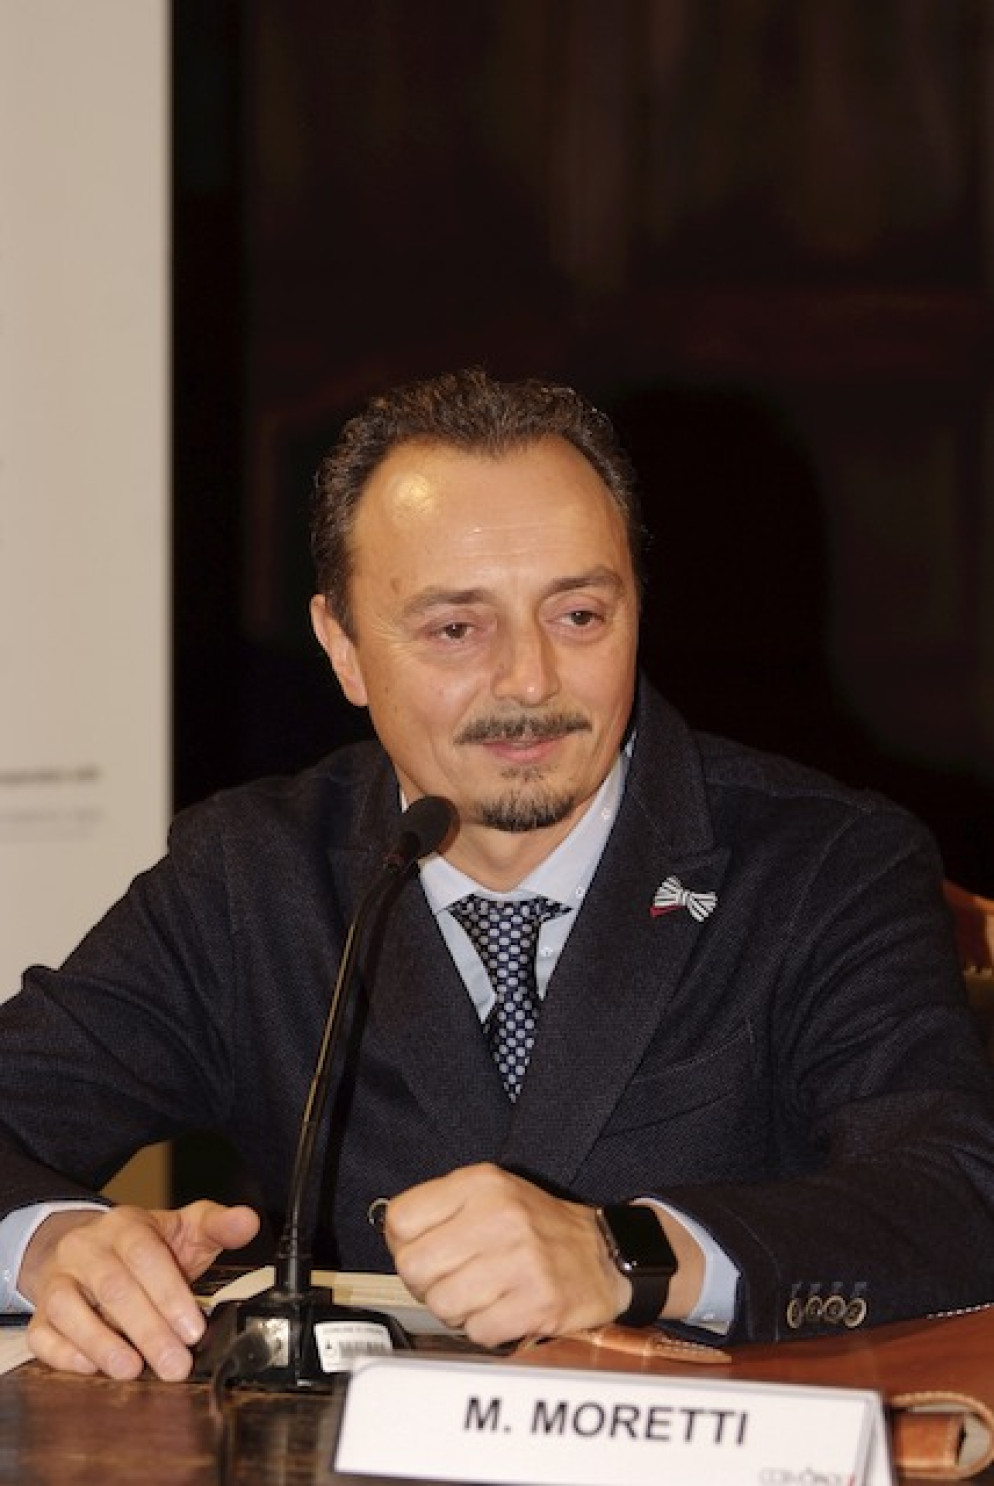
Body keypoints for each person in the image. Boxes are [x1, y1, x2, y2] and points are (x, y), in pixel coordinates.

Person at [3, 368, 994, 1385]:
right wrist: (48, 1243)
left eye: (578, 616)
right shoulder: (250, 875)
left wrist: (628, 1253)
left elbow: (956, 1191)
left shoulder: (826, 861)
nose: (529, 679)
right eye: (455, 629)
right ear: (343, 648)